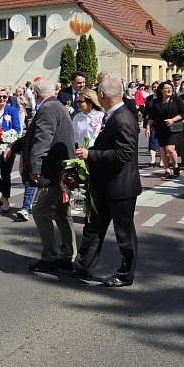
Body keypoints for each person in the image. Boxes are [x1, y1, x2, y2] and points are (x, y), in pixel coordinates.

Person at [70, 78, 142, 287]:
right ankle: (83, 267)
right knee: (93, 228)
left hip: (120, 188)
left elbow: (124, 153)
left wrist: (91, 154)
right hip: (105, 185)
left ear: (101, 95)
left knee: (124, 233)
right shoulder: (115, 115)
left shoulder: (122, 118)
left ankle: (125, 274)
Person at [24, 78, 77, 272]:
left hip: (52, 171)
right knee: (62, 213)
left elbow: (43, 139)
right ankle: (68, 255)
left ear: (36, 95)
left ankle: (50, 257)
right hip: (62, 169)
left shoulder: (47, 109)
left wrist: (35, 165)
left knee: (39, 209)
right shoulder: (58, 106)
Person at [145, 81, 184, 180]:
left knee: (170, 148)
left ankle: (175, 166)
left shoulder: (177, 99)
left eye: (170, 88)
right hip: (161, 128)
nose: (169, 90)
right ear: (161, 90)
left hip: (173, 127)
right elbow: (152, 116)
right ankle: (167, 170)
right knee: (163, 149)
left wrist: (172, 120)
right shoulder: (156, 101)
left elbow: (183, 113)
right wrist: (148, 127)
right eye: (166, 88)